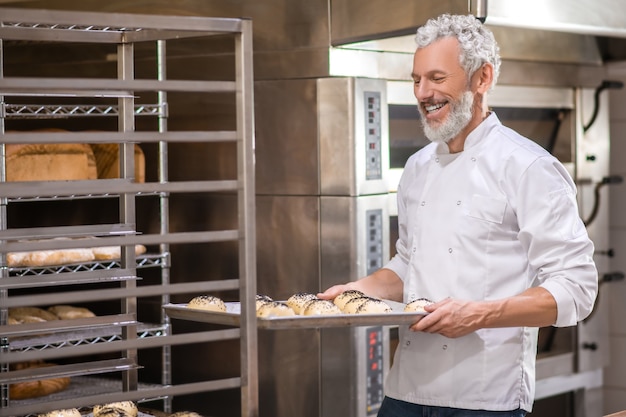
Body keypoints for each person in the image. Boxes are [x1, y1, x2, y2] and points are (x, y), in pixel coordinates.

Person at [318, 13, 598, 417]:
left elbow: (577, 286)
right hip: (406, 392)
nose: (422, 92)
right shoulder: (417, 167)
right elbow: (410, 263)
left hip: (486, 398)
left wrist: (479, 314)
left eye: (436, 77)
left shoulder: (528, 167)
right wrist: (357, 291)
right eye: (416, 79)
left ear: (481, 79)